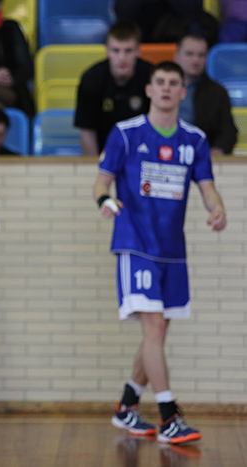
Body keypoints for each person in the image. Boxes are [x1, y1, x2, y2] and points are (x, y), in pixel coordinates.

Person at [93, 61, 227, 445]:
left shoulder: (195, 140)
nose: (167, 88)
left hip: (173, 250)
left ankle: (127, 406)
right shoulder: (126, 133)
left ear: (183, 92)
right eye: (160, 82)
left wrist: (217, 208)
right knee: (153, 327)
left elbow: (207, 186)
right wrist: (105, 200)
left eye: (174, 83)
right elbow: (101, 182)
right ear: (149, 90)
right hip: (135, 243)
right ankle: (169, 416)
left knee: (159, 330)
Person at [75, 21, 154, 156]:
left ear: (138, 51)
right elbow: (87, 131)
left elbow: (160, 125)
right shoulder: (91, 79)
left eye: (128, 51)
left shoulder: (152, 77)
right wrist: (94, 166)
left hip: (145, 154)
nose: (122, 58)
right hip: (104, 155)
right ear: (107, 51)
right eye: (116, 50)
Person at [174, 33, 237, 156]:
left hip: (200, 156)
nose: (195, 60)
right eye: (189, 54)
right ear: (176, 56)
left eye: (201, 55)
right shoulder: (159, 87)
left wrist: (219, 149)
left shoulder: (217, 92)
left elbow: (228, 131)